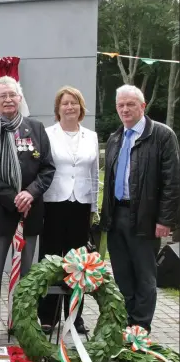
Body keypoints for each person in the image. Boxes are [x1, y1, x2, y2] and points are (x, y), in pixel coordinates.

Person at [0, 76, 55, 346]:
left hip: (30, 213)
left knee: (27, 273)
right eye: (2, 96)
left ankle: (22, 322)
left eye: (12, 94)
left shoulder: (36, 128)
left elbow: (47, 168)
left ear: (20, 98)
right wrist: (13, 198)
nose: (8, 99)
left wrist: (30, 193)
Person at [101, 84, 179, 333]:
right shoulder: (115, 138)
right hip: (116, 216)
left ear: (143, 106)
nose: (125, 109)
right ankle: (126, 322)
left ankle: (140, 327)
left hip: (146, 217)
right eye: (121, 105)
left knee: (145, 275)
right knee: (122, 273)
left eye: (130, 104)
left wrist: (165, 220)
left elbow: (172, 181)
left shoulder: (162, 135)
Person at [38, 86, 99, 335]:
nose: (70, 107)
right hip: (54, 203)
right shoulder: (47, 134)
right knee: (52, 260)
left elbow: (94, 174)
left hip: (81, 204)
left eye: (74, 102)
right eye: (65, 103)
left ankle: (75, 315)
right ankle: (48, 315)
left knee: (79, 263)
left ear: (81, 108)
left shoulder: (91, 136)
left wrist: (94, 206)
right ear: (58, 108)